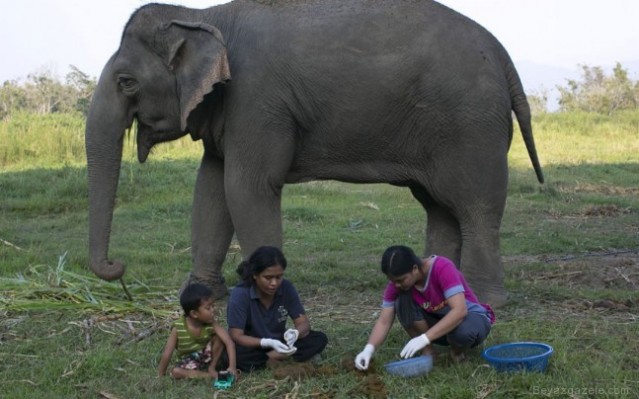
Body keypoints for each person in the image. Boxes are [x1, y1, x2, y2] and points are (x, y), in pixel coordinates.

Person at [354, 245, 494, 370]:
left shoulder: (442, 267)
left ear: (415, 269)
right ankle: (429, 352)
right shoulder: (398, 285)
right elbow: (384, 321)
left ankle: (457, 352)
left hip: (471, 319)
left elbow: (460, 311)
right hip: (440, 324)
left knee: (463, 333)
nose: (396, 285)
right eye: (392, 281)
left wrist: (424, 338)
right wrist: (368, 349)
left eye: (400, 280)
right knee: (401, 301)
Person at [227, 246, 328, 371]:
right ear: (255, 275)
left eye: (279, 277)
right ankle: (278, 357)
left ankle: (267, 359)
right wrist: (266, 342)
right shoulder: (241, 293)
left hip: (279, 341)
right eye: (268, 278)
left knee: (319, 338)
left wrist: (296, 333)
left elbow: (303, 323)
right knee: (230, 354)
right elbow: (236, 335)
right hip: (252, 344)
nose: (274, 283)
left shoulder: (286, 287)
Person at [158, 283, 237, 380]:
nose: (213, 310)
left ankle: (211, 368)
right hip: (189, 362)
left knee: (219, 337)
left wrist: (232, 366)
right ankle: (209, 376)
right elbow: (167, 353)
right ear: (194, 313)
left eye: (213, 305)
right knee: (176, 371)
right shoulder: (178, 328)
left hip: (208, 358)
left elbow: (229, 342)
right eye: (208, 308)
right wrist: (160, 375)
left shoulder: (211, 323)